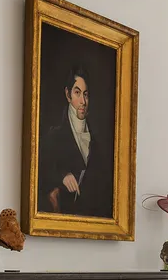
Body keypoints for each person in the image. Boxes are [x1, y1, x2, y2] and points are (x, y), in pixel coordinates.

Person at [38, 65, 113, 218]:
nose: (83, 101)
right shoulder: (54, 134)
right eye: (77, 93)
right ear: (68, 95)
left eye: (86, 94)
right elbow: (39, 172)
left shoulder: (97, 139)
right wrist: (62, 176)